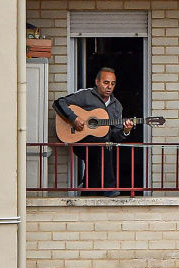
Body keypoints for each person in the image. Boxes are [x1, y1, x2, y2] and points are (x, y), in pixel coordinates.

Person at [53, 66, 134, 195]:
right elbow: (59, 103)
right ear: (97, 82)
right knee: (102, 147)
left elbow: (115, 137)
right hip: (80, 140)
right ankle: (109, 188)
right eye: (106, 82)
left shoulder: (116, 105)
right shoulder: (85, 95)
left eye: (113, 84)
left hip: (100, 146)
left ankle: (88, 191)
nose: (109, 87)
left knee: (102, 149)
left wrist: (125, 130)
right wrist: (73, 118)